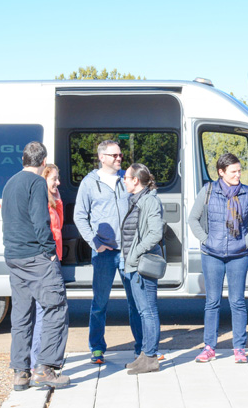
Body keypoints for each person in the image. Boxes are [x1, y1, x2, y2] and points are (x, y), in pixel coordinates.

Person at [1, 142, 70, 390]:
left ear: (23, 160)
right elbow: (40, 221)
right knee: (56, 307)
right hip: (36, 257)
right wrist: (50, 252)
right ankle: (45, 369)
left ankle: (20, 373)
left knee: (21, 315)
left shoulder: (10, 183)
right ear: (43, 162)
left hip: (14, 257)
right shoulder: (37, 183)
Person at [187, 152, 248, 363]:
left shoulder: (247, 193)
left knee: (237, 302)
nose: (238, 175)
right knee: (212, 302)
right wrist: (206, 240)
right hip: (212, 255)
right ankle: (209, 347)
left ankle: (239, 348)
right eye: (233, 172)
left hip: (239, 255)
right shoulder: (208, 191)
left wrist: (245, 243)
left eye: (239, 171)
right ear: (221, 172)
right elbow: (193, 219)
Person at [73, 140, 143, 365]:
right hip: (104, 252)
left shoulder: (128, 178)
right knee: (100, 303)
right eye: (114, 155)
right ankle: (96, 348)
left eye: (120, 155)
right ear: (102, 157)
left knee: (135, 302)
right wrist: (95, 242)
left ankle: (141, 348)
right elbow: (79, 216)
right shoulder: (89, 183)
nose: (119, 158)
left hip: (128, 251)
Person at [121, 163, 164, 374]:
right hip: (133, 264)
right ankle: (144, 355)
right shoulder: (136, 199)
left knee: (148, 312)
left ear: (136, 180)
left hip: (142, 265)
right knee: (142, 311)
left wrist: (135, 253)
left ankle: (150, 357)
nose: (124, 181)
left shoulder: (150, 201)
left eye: (126, 178)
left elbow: (155, 233)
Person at [27, 164, 64, 371]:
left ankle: (40, 360)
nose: (58, 182)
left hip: (53, 257)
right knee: (45, 312)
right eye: (54, 179)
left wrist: (57, 199)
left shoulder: (51, 200)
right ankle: (37, 363)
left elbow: (59, 226)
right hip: (46, 260)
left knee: (46, 311)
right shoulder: (40, 203)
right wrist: (50, 254)